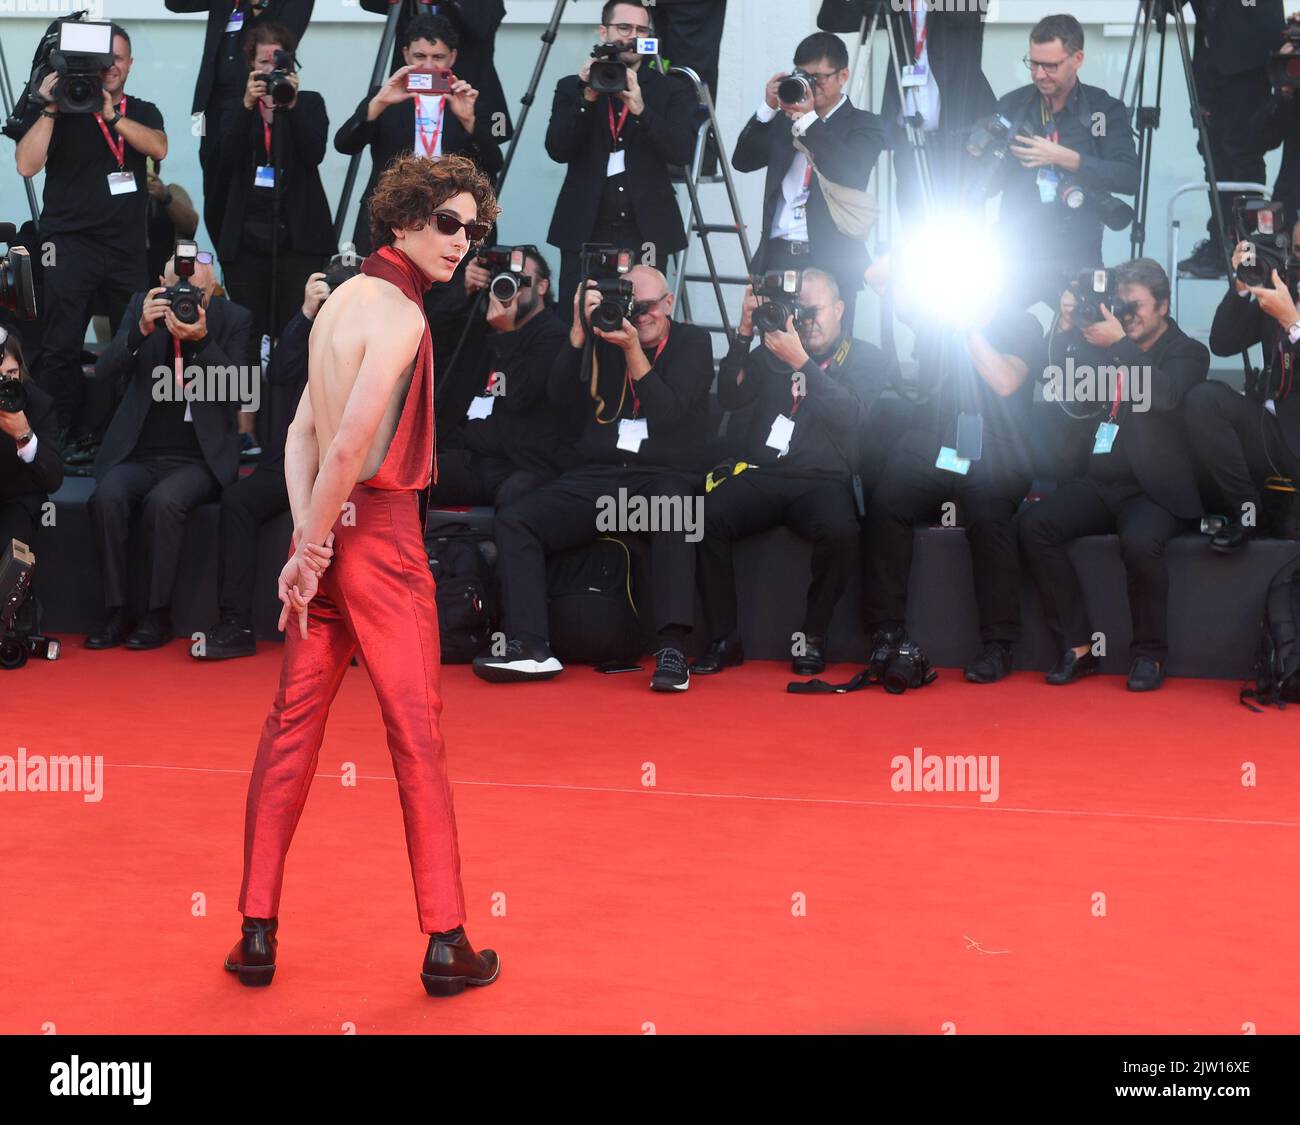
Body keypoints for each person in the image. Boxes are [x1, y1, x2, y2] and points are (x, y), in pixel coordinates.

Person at [226, 153, 501, 996]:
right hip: (381, 540)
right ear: (402, 221)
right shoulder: (404, 320)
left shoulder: (338, 299)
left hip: (331, 528)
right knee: (417, 737)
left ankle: (256, 932)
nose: (461, 242)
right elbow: (348, 443)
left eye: (473, 228)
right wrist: (312, 549)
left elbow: (298, 438)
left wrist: (308, 543)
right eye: (446, 223)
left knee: (289, 730)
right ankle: (446, 939)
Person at [472, 265, 714, 692]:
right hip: (598, 480)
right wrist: (579, 334)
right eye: (630, 306)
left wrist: (633, 350)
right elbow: (559, 399)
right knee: (517, 518)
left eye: (648, 307)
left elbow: (670, 413)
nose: (638, 316)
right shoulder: (602, 337)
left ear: (669, 303)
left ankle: (673, 649)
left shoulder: (694, 342)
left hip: (658, 478)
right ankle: (530, 644)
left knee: (676, 507)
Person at [1019, 259, 1210, 692]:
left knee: (1139, 543)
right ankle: (1079, 646)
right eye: (1120, 305)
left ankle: (1149, 655)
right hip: (1101, 481)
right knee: (1034, 526)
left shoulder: (1188, 351)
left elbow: (1165, 396)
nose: (1127, 315)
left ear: (1164, 304)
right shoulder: (1109, 342)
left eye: (1137, 305)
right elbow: (1063, 386)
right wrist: (1067, 329)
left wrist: (1120, 345)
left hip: (1155, 489)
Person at [861, 250, 1046, 684]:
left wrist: (968, 325)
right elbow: (876, 276)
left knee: (989, 513)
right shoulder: (936, 311)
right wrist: (927, 246)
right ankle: (886, 632)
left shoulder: (1022, 323)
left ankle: (999, 644)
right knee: (887, 501)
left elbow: (1004, 381)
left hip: (998, 443)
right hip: (935, 436)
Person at [695, 269, 890, 677]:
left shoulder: (864, 356)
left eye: (815, 310)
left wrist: (800, 361)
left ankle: (813, 637)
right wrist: (745, 331)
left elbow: (851, 415)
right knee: (704, 517)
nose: (806, 320)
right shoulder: (773, 348)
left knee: (842, 532)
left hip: (822, 480)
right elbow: (730, 395)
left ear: (839, 309)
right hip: (763, 473)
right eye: (799, 311)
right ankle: (724, 638)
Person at [85, 252, 251, 651]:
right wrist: (140, 331)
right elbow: (104, 372)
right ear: (161, 281)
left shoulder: (233, 319)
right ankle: (117, 610)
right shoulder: (142, 307)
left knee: (164, 504)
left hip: (198, 458)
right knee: (106, 497)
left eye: (196, 289)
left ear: (213, 288)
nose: (185, 297)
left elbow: (242, 392)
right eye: (177, 287)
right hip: (139, 452)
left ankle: (157, 614)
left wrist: (204, 341)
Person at [13, 23, 167, 439]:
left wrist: (111, 115)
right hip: (69, 245)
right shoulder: (61, 110)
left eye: (119, 58)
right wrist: (49, 108)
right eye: (105, 59)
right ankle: (55, 434)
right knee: (59, 345)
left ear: (130, 64)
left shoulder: (143, 110)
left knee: (133, 342)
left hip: (126, 247)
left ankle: (122, 434)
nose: (112, 66)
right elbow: (26, 165)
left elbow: (158, 148)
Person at [192, 271, 325, 661]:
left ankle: (348, 633)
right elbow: (281, 372)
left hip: (350, 461)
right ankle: (236, 624)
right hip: (295, 456)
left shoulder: (377, 321)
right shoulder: (312, 325)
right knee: (237, 501)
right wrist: (306, 312)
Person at [545, 1, 697, 306]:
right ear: (604, 31)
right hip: (586, 226)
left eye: (642, 30)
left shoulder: (672, 91)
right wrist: (586, 98)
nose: (632, 37)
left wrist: (642, 110)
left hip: (646, 229)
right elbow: (557, 149)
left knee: (644, 320)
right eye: (624, 28)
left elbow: (682, 152)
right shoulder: (571, 87)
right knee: (579, 319)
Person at [731, 31, 884, 332]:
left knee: (826, 358)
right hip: (777, 255)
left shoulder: (864, 124)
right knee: (775, 351)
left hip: (830, 258)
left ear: (843, 75)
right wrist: (768, 108)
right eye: (802, 75)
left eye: (819, 77)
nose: (810, 85)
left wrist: (808, 120)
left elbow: (849, 171)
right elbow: (743, 161)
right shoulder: (783, 119)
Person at [989, 15, 1138, 309]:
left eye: (1051, 66)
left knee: (1086, 343)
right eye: (1033, 63)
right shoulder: (1012, 106)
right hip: (1015, 249)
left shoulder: (1102, 112)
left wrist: (1065, 158)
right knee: (990, 332)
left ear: (1077, 58)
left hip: (1076, 251)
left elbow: (1128, 177)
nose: (1039, 74)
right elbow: (987, 182)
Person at [334, 14, 503, 257]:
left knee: (440, 292)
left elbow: (494, 164)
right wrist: (377, 105)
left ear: (452, 57)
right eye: (420, 57)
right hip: (390, 214)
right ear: (405, 55)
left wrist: (469, 121)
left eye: (438, 57)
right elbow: (344, 144)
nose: (429, 66)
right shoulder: (384, 96)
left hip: (447, 217)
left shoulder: (468, 100)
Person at [817, 0, 995, 230]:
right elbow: (832, 18)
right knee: (915, 229)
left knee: (962, 228)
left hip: (957, 136)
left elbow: (962, 14)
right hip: (908, 133)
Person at [217, 21, 334, 351]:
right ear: (251, 66)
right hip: (246, 239)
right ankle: (248, 403)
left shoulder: (309, 102)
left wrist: (291, 104)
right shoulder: (233, 108)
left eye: (277, 62)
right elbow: (227, 157)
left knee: (298, 331)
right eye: (263, 63)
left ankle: (292, 404)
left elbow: (314, 153)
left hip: (298, 238)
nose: (271, 70)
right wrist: (245, 107)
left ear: (291, 63)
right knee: (245, 333)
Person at [430, 246, 573, 508]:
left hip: (523, 464)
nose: (511, 288)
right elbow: (433, 341)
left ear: (542, 286)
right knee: (412, 479)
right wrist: (464, 291)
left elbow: (519, 395)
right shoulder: (486, 320)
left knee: (517, 499)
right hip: (472, 457)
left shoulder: (555, 336)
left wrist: (506, 336)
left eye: (520, 281)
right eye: (503, 279)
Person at [165, 0, 315, 246]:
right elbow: (175, 4)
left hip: (262, 106)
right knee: (215, 195)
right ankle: (228, 270)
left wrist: (258, 5)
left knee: (254, 195)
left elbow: (283, 39)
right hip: (214, 111)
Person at [1185, 229, 1300, 551]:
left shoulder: (1287, 306)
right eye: (1295, 249)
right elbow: (1223, 343)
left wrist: (1292, 322)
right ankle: (1248, 512)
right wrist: (1240, 286)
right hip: (1273, 428)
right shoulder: (1284, 290)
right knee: (1204, 400)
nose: (1297, 259)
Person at [1177, 0, 1283, 278]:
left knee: (1243, 151)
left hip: (1248, 60)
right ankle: (1220, 243)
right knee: (1213, 154)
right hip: (1210, 63)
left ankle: (1249, 247)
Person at [360, 0, 511, 141]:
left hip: (468, 94)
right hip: (411, 94)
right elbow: (368, 3)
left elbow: (482, 25)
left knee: (483, 158)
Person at [0, 330, 63, 564]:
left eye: (11, 373)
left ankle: (20, 600)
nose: (5, 382)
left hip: (18, 499)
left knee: (10, 553)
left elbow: (53, 479)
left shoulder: (38, 403)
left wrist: (24, 435)